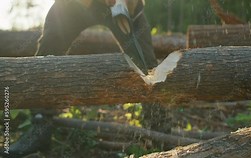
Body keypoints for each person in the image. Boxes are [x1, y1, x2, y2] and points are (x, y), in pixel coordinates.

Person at [7, 0, 157, 157]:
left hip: (121, 4)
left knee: (146, 63)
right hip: (73, 4)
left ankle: (157, 132)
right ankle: (40, 126)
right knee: (48, 51)